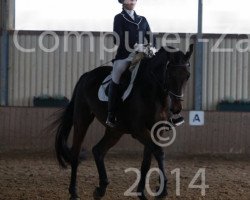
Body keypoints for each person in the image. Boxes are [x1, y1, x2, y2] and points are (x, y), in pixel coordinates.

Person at [106, 0, 184, 128]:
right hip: (126, 56)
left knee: (161, 76)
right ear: (123, 2)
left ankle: (170, 114)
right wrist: (134, 46)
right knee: (116, 77)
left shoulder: (142, 19)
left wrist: (152, 47)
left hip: (144, 55)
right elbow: (116, 38)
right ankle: (111, 114)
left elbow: (151, 37)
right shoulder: (119, 18)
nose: (131, 1)